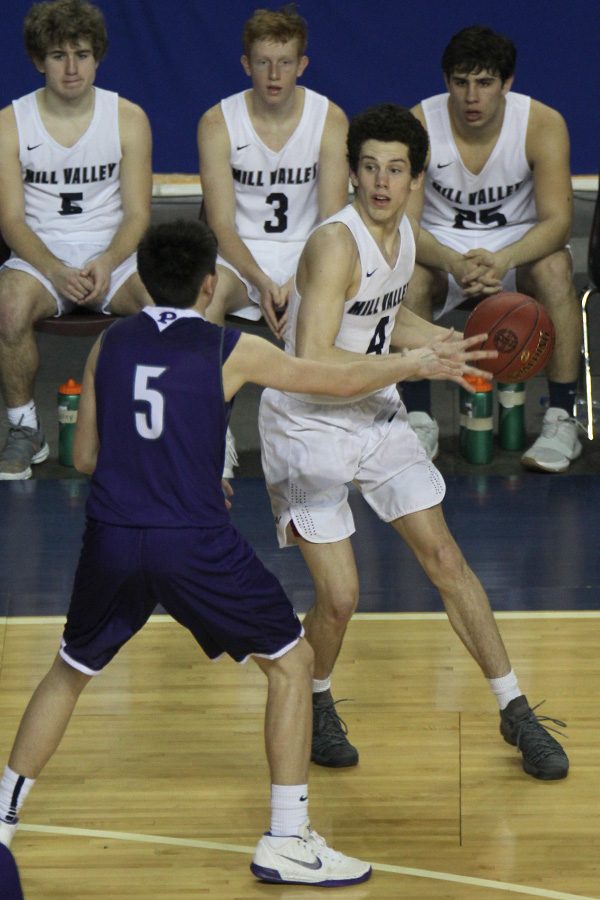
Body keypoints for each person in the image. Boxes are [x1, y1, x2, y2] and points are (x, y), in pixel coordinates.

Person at [0, 218, 496, 887]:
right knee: (293, 665)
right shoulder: (229, 347)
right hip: (193, 544)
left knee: (69, 669)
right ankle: (288, 839)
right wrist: (415, 361)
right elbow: (328, 378)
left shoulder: (110, 343)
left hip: (113, 536)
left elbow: (86, 455)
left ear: (143, 281)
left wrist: (166, 470)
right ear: (210, 285)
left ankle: (3, 822)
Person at [258, 103, 569, 779]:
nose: (380, 182)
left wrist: (453, 344)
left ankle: (515, 709)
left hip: (371, 409)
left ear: (415, 180)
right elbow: (312, 359)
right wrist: (413, 366)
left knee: (446, 560)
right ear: (350, 173)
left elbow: (383, 314)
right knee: (340, 597)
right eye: (368, 167)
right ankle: (314, 699)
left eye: (395, 170)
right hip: (306, 424)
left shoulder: (401, 236)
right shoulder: (334, 243)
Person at [401, 25, 583, 472]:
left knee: (556, 269)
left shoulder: (542, 123)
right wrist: (451, 261)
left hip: (516, 248)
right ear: (446, 83)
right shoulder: (419, 124)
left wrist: (502, 259)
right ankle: (416, 420)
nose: (471, 96)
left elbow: (558, 223)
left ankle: (562, 417)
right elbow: (404, 225)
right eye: (460, 83)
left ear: (507, 83)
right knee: (403, 272)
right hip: (443, 250)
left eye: (484, 83)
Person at [0, 0, 152, 481]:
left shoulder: (128, 117)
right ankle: (26, 429)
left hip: (114, 256)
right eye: (59, 55)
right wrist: (55, 270)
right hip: (42, 258)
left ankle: (151, 433)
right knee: (6, 308)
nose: (71, 67)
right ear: (37, 60)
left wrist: (107, 260)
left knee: (165, 307)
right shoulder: (9, 123)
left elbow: (139, 213)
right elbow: (10, 220)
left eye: (82, 54)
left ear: (98, 57)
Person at [196, 4, 349, 341]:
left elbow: (332, 221)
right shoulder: (217, 123)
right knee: (204, 298)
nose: (275, 75)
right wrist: (262, 281)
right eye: (263, 63)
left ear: (302, 66)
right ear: (247, 65)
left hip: (308, 253)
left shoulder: (330, 120)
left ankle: (316, 391)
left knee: (336, 297)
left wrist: (299, 280)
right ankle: (211, 393)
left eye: (285, 63)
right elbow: (220, 225)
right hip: (239, 257)